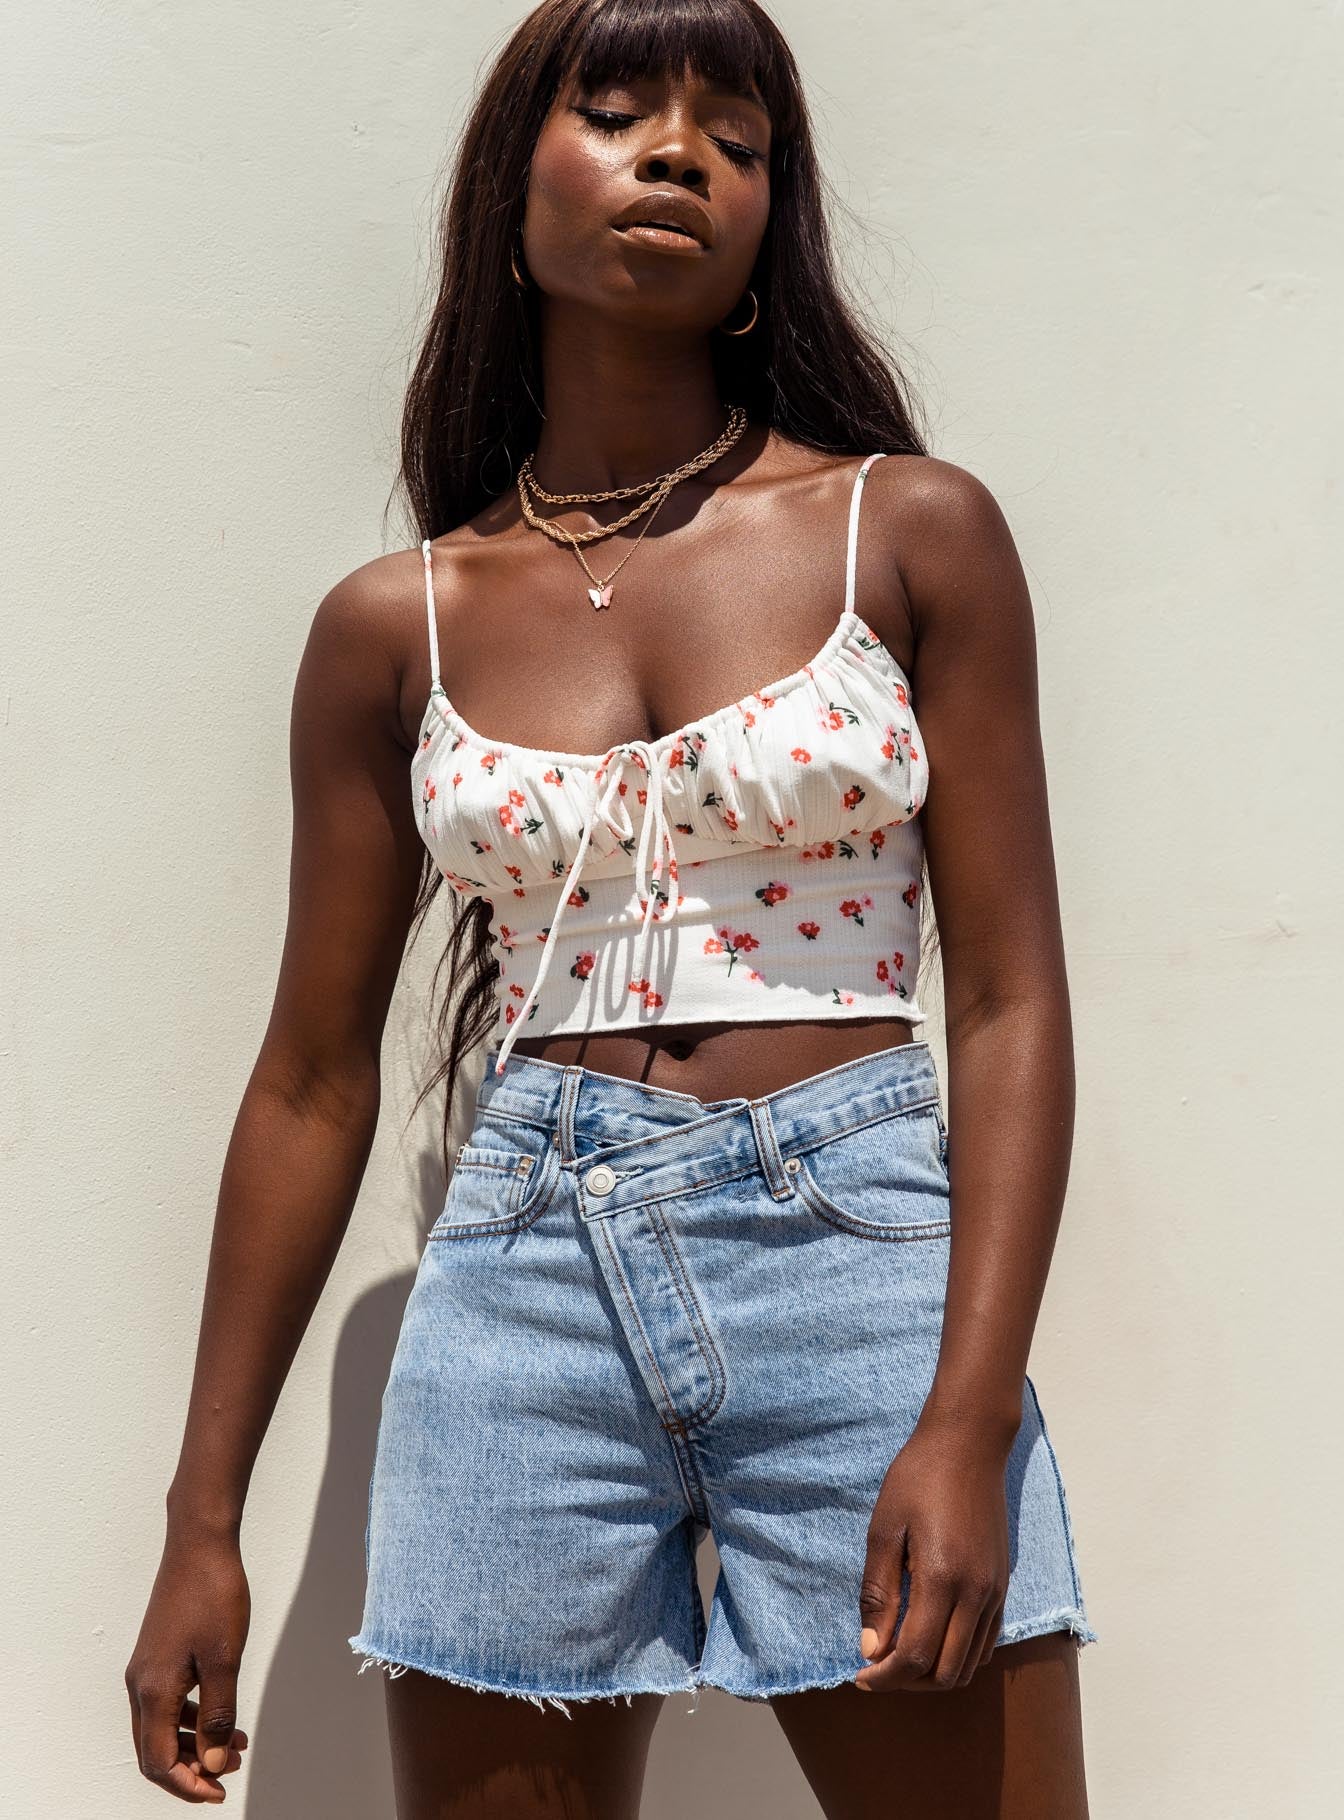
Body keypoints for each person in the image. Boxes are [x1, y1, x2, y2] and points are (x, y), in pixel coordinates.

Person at [125, 1, 1098, 1813]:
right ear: (513, 191)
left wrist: (968, 1417)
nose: (678, 154)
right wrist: (203, 1527)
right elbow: (313, 1082)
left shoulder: (912, 531)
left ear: (762, 233)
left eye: (735, 139)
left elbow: (1011, 1004)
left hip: (862, 1254)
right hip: (519, 1294)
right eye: (620, 109)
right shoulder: (390, 625)